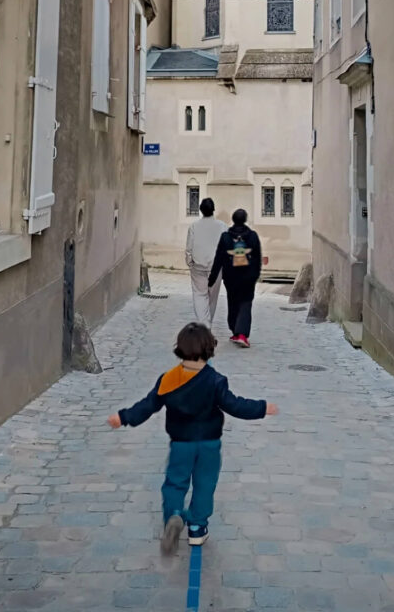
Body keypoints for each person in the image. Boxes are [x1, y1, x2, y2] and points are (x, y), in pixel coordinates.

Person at [107, 322, 278, 553]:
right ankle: (197, 528)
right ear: (210, 348)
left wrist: (123, 417)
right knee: (204, 485)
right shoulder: (215, 380)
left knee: (175, 483)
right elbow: (235, 405)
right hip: (209, 444)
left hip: (181, 444)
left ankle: (174, 515)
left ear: (179, 348)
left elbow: (148, 406)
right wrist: (262, 407)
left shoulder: (168, 380)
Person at [208, 208, 261, 348]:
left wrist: (212, 278)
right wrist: (255, 275)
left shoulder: (225, 237)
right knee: (246, 303)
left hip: (231, 276)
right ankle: (242, 334)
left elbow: (218, 258)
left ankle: (236, 331)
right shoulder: (253, 236)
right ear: (245, 219)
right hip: (247, 276)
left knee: (232, 301)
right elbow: (257, 258)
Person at [185, 197, 226, 329]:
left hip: (198, 267)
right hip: (216, 268)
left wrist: (190, 263)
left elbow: (189, 249)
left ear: (201, 210)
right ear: (213, 210)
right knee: (212, 298)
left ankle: (204, 324)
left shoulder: (194, 226)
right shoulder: (222, 226)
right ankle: (207, 324)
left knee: (199, 295)